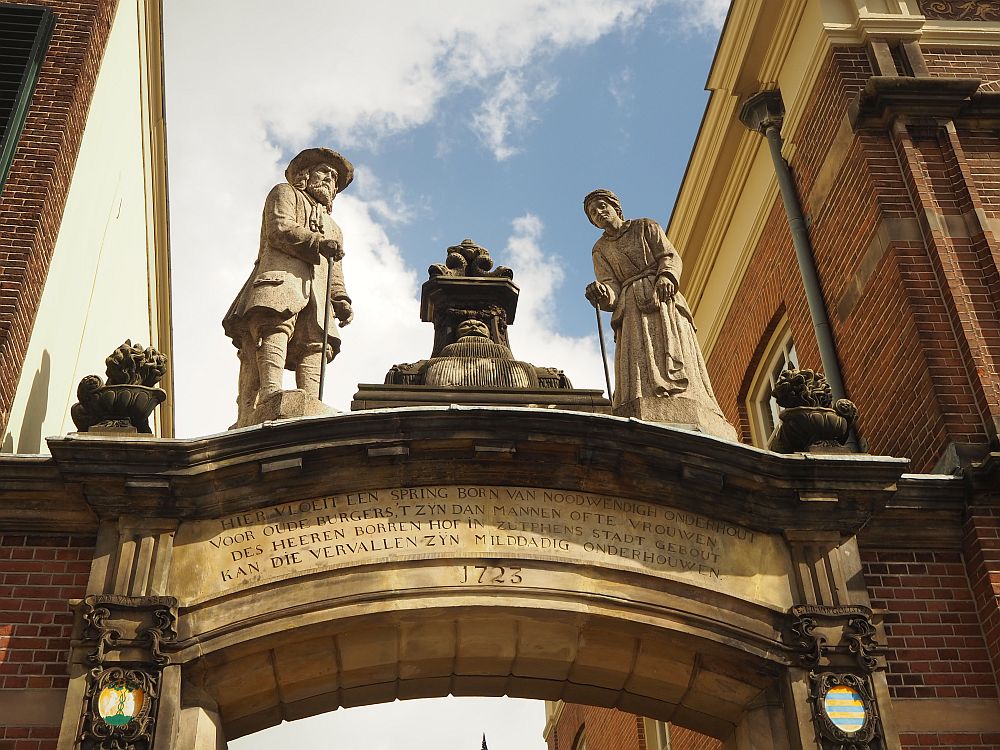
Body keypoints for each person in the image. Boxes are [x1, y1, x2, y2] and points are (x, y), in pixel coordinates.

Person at [223, 148, 354, 426]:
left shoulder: (334, 227)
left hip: (318, 294)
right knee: (275, 327)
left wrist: (340, 298)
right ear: (305, 175)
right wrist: (317, 243)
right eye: (325, 172)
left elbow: (335, 268)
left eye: (335, 178)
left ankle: (311, 403)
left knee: (316, 345)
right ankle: (270, 394)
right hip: (282, 279)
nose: (330, 180)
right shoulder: (285, 194)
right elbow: (279, 229)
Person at [583, 188, 727, 420]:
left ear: (615, 207)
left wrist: (667, 276)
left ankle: (683, 394)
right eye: (592, 213)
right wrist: (602, 293)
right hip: (631, 307)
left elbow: (668, 256)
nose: (598, 213)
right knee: (638, 354)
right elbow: (611, 286)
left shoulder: (645, 226)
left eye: (601, 206)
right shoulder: (600, 250)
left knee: (671, 344)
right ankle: (640, 396)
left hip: (662, 296)